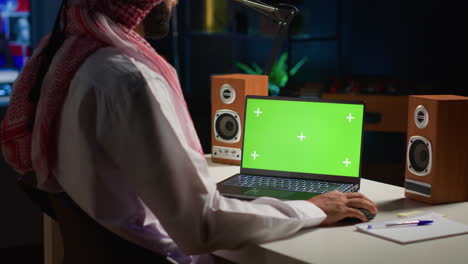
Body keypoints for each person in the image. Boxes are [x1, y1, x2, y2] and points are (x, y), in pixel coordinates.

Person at [1, 0, 378, 263]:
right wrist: (311, 209)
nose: (176, 3)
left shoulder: (65, 59)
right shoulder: (128, 79)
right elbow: (202, 226)